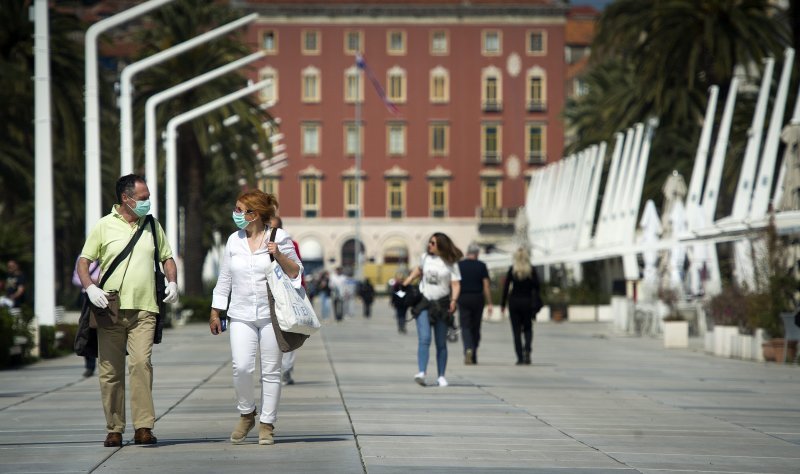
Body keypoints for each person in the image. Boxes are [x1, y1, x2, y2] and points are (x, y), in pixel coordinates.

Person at [77, 174, 178, 447]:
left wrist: (172, 281)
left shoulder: (152, 225)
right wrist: (90, 287)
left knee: (141, 365)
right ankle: (114, 427)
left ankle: (144, 426)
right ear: (126, 198)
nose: (148, 202)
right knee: (110, 370)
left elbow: (167, 258)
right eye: (143, 198)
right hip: (110, 310)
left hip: (145, 308)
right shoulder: (104, 226)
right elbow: (83, 262)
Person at [210, 190, 302, 446]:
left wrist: (279, 254)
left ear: (256, 214)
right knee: (241, 367)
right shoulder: (233, 241)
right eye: (236, 209)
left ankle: (267, 424)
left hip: (272, 314)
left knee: (272, 371)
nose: (236, 214)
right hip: (240, 314)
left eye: (241, 210)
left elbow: (296, 273)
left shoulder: (279, 237)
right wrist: (216, 310)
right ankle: (247, 413)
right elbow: (225, 277)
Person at [402, 232, 461, 387]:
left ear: (441, 245)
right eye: (429, 242)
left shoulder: (451, 263)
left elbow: (455, 284)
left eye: (432, 243)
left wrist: (453, 301)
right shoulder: (425, 258)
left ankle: (441, 376)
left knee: (441, 342)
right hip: (424, 303)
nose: (429, 245)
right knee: (425, 338)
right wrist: (408, 280)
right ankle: (422, 372)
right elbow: (419, 269)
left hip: (441, 305)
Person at [270, 215, 302, 387]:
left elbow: (297, 269)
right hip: (269, 296)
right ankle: (273, 370)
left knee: (288, 332)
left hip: (288, 295)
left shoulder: (291, 243)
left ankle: (287, 369)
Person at [500, 247, 542, 365]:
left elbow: (506, 287)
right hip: (528, 302)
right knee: (528, 328)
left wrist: (503, 304)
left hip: (514, 303)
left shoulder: (513, 270)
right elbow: (537, 287)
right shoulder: (531, 270)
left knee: (516, 331)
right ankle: (527, 350)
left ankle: (519, 357)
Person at [457, 243, 492, 365]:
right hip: (477, 298)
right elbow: (486, 285)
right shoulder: (481, 266)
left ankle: (468, 348)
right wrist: (490, 302)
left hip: (463, 298)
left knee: (465, 326)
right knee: (476, 327)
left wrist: (453, 299)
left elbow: (455, 284)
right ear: (477, 254)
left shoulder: (459, 265)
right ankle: (474, 352)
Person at [72, 257, 101, 377]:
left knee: (109, 330)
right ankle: (90, 366)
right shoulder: (83, 256)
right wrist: (89, 282)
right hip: (88, 296)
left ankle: (109, 364)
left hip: (109, 296)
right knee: (87, 329)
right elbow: (75, 278)